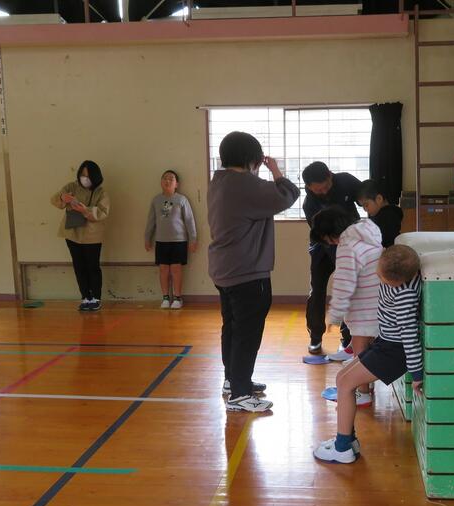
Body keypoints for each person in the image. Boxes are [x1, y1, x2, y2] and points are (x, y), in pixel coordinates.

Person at [208, 131, 299, 413]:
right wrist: (276, 171)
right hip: (246, 270)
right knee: (247, 333)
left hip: (225, 268)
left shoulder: (219, 181)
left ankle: (233, 380)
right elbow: (288, 194)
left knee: (232, 327)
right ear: (253, 159)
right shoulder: (245, 184)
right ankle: (240, 394)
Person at [313, 244, 422, 464]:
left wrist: (417, 373)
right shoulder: (401, 272)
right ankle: (348, 440)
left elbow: (410, 336)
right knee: (342, 379)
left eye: (380, 278)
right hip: (385, 344)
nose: (378, 278)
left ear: (394, 281)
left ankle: (342, 448)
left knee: (345, 384)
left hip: (394, 352)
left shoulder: (404, 295)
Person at [309, 206, 382, 406]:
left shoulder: (347, 247)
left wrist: (335, 315)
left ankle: (362, 392)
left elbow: (344, 283)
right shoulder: (368, 231)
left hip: (363, 307)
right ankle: (367, 386)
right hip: (379, 300)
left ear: (331, 234)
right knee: (368, 348)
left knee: (360, 349)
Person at [302, 161, 362, 360]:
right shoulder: (309, 204)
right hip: (322, 247)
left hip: (349, 244)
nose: (323, 192)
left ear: (330, 175)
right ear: (309, 187)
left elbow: (367, 198)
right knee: (317, 289)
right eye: (318, 190)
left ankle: (347, 338)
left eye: (326, 186)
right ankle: (315, 336)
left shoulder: (346, 181)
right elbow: (320, 233)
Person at [50, 160, 110, 311]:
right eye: (82, 175)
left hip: (92, 236)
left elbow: (103, 212)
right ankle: (85, 297)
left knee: (93, 266)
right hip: (72, 233)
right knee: (79, 266)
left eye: (88, 176)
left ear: (95, 177)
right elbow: (54, 200)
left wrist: (85, 210)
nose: (85, 178)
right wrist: (63, 198)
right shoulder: (71, 186)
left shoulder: (101, 192)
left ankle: (96, 298)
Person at [144, 170, 197, 309]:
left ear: (176, 184)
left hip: (179, 241)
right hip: (161, 241)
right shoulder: (156, 200)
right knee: (163, 269)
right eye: (165, 178)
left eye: (171, 179)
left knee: (176, 269)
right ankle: (166, 298)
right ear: (161, 182)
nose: (167, 181)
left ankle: (178, 298)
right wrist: (147, 238)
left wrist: (193, 239)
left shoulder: (182, 199)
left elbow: (189, 220)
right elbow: (151, 221)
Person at [357, 179, 403, 248]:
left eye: (366, 205)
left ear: (379, 199)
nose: (365, 209)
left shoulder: (387, 216)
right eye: (362, 206)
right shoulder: (388, 213)